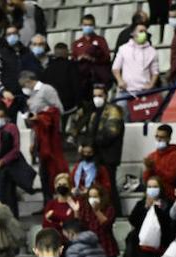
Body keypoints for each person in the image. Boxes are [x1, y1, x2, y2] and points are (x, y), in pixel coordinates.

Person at [70, 84, 125, 212]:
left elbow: (111, 133)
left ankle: (115, 213)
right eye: (95, 95)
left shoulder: (113, 111)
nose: (97, 98)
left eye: (100, 95)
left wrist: (91, 145)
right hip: (97, 155)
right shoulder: (93, 112)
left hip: (109, 155)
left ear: (106, 95)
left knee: (109, 186)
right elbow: (88, 132)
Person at [112, 22, 159, 94]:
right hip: (126, 91)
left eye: (145, 31)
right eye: (140, 31)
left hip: (145, 91)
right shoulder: (123, 49)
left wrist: (151, 84)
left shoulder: (152, 51)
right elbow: (115, 68)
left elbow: (155, 72)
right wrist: (120, 80)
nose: (143, 34)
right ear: (133, 33)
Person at [70, 14, 110, 89]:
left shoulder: (100, 40)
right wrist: (79, 58)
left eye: (90, 25)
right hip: (82, 78)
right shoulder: (77, 43)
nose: (87, 27)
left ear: (94, 26)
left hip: (98, 77)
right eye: (85, 25)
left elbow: (107, 57)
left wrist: (92, 59)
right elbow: (73, 60)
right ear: (82, 26)